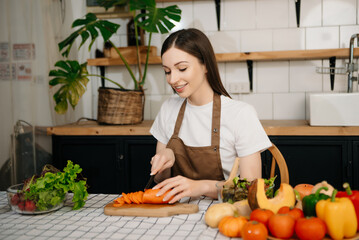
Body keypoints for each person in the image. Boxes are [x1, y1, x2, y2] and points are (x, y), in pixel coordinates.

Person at [149, 28, 272, 204]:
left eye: (182, 68)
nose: (172, 79)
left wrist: (201, 187)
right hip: (178, 211)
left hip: (227, 211)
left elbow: (250, 189)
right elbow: (161, 181)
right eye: (167, 71)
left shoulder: (240, 114)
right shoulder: (169, 109)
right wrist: (166, 158)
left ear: (205, 65)